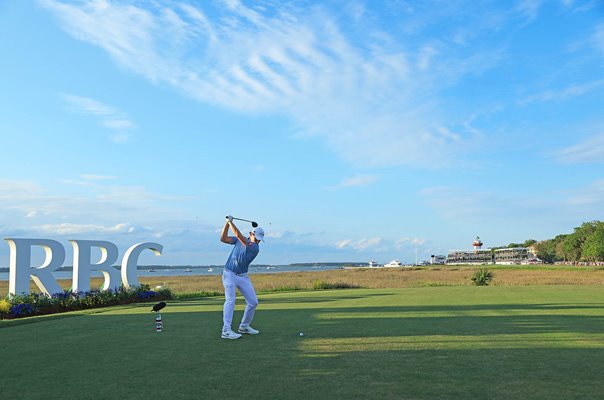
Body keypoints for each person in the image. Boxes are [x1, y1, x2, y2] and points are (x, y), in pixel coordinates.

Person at [219, 215, 265, 339]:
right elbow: (223, 238)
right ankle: (226, 330)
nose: (258, 241)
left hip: (243, 276)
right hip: (229, 273)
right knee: (230, 300)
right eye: (257, 238)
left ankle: (244, 326)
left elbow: (239, 236)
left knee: (253, 302)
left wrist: (230, 222)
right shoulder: (240, 241)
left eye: (260, 240)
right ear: (251, 233)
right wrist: (226, 224)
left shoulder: (254, 248)